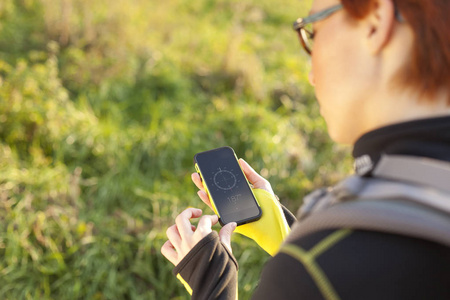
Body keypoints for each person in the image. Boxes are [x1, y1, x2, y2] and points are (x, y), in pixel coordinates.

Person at [161, 0, 450, 298]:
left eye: (313, 32)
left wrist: (210, 279)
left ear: (376, 23)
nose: (312, 74)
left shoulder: (316, 271)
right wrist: (288, 235)